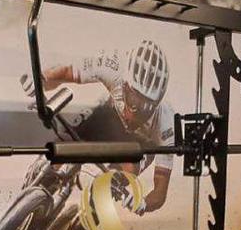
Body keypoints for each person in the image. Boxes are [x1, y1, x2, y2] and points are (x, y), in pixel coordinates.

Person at [39, 38, 175, 214]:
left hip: (140, 141)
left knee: (110, 185)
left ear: (158, 102)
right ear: (125, 84)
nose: (133, 113)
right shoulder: (113, 67)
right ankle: (39, 182)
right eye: (132, 101)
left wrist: (142, 204)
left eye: (146, 108)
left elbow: (160, 193)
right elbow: (65, 72)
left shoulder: (166, 124)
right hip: (110, 118)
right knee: (64, 144)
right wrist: (40, 80)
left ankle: (85, 220)